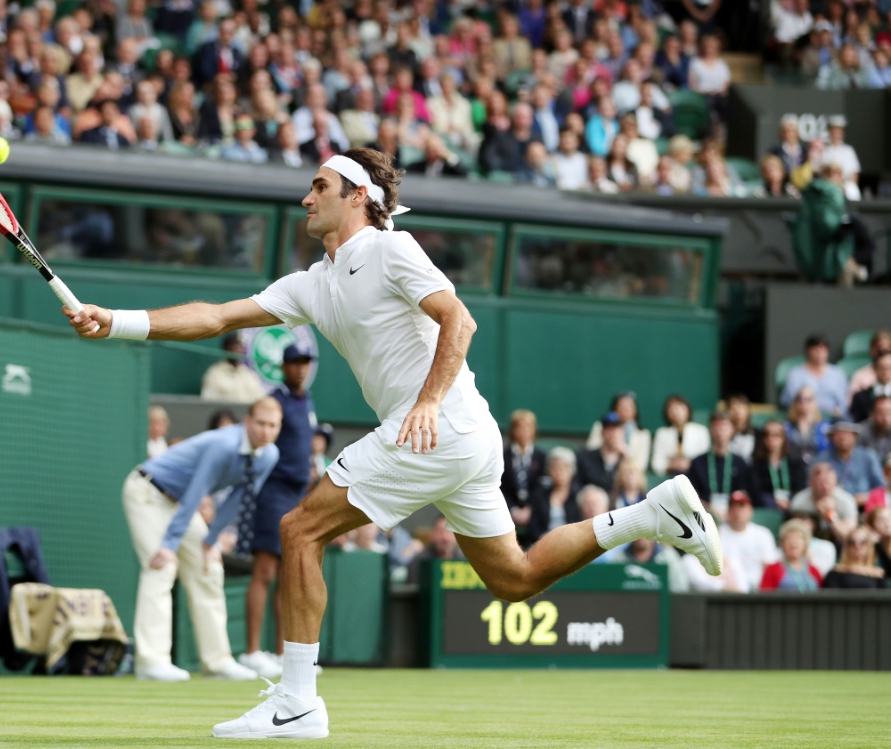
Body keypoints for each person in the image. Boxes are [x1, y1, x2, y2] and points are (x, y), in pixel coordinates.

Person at [65, 148, 722, 739]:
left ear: (356, 195)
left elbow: (456, 319)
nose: (305, 197)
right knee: (514, 578)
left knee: (299, 529)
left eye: (318, 185)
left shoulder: (390, 247)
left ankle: (297, 700)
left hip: (436, 425)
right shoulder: (313, 282)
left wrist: (429, 400)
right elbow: (217, 317)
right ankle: (652, 512)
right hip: (467, 436)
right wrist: (116, 321)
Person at [122, 397, 282, 682]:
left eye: (272, 426)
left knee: (210, 570)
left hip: (178, 503)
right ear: (246, 422)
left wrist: (211, 540)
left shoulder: (269, 455)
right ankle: (151, 661)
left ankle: (217, 661)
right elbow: (199, 490)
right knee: (162, 566)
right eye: (260, 424)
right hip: (147, 491)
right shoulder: (223, 445)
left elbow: (241, 496)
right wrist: (169, 545)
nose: (265, 431)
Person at [239, 344, 317, 681]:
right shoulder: (277, 401)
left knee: (290, 576)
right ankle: (253, 652)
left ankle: (284, 654)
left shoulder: (306, 401)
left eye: (305, 363)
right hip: (273, 491)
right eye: (295, 363)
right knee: (265, 572)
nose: (300, 369)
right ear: (283, 366)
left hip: (298, 495)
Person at [687, 411, 753, 519]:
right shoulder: (697, 462)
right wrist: (709, 508)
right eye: (717, 426)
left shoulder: (740, 463)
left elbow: (743, 493)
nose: (720, 431)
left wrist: (731, 511)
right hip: (702, 516)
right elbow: (691, 495)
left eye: (725, 426)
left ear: (732, 430)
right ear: (711, 430)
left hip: (733, 516)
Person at [501, 409, 547, 546]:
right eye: (519, 427)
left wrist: (530, 508)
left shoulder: (541, 457)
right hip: (507, 510)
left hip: (534, 510)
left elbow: (541, 486)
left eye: (528, 427)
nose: (524, 432)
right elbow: (501, 486)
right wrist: (513, 509)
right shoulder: (503, 456)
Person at [813, 420, 885, 508]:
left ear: (855, 436)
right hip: (833, 505)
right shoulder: (821, 459)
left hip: (864, 507)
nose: (842, 437)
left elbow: (881, 487)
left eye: (847, 433)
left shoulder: (868, 456)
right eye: (839, 433)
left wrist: (867, 497)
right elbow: (812, 485)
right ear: (832, 437)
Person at [718, 491, 779, 589]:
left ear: (750, 511)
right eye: (734, 509)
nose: (738, 513)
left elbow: (769, 565)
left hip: (760, 589)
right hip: (731, 589)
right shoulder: (717, 534)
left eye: (741, 508)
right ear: (728, 512)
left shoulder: (763, 534)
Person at [789, 461, 858, 545]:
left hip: (839, 547)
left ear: (835, 482)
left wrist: (830, 514)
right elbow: (792, 534)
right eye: (820, 484)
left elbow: (849, 537)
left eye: (828, 483)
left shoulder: (846, 501)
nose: (825, 488)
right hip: (808, 545)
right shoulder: (799, 501)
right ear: (811, 483)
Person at [779, 334, 848, 417]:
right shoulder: (795, 374)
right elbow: (790, 401)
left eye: (823, 348)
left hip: (832, 419)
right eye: (816, 348)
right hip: (803, 418)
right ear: (808, 351)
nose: (820, 352)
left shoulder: (837, 373)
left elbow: (844, 403)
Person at [525, 446, 580, 548]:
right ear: (549, 471)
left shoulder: (578, 496)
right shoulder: (539, 495)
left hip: (570, 545)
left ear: (572, 470)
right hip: (543, 544)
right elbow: (533, 528)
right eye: (555, 467)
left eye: (564, 467)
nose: (559, 472)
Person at [585, 392, 651, 472]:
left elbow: (641, 466)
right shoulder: (600, 426)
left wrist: (625, 452)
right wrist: (608, 446)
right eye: (621, 406)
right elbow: (589, 451)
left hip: (626, 476)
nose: (625, 409)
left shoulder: (643, 434)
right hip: (599, 471)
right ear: (614, 408)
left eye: (629, 406)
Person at [749, 419, 807, 510]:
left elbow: (801, 488)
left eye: (776, 435)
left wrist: (790, 501)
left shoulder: (796, 462)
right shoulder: (756, 464)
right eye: (766, 435)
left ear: (783, 438)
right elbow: (756, 492)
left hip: (793, 508)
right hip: (767, 509)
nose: (770, 438)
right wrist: (774, 502)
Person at [201, 332, 268, 403]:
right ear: (226, 348)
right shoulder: (215, 374)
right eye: (234, 347)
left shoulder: (249, 374)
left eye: (240, 347)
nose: (237, 350)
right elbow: (208, 403)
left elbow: (260, 400)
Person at [759, 519, 823, 592]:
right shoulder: (772, 570)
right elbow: (764, 598)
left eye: (799, 538)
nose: (793, 542)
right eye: (789, 538)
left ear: (806, 544)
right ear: (782, 544)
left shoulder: (814, 571)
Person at [576, 412, 626, 494]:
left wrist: (625, 457)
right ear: (602, 432)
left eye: (616, 429)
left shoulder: (625, 460)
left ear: (622, 433)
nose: (612, 433)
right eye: (609, 429)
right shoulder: (585, 457)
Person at [823, 526, 887, 589]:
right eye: (852, 542)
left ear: (869, 546)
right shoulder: (836, 572)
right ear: (846, 546)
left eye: (863, 542)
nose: (857, 546)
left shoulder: (878, 574)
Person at [785, 385, 829, 464]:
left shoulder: (824, 426)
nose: (803, 402)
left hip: (818, 468)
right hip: (793, 467)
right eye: (799, 399)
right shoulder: (787, 427)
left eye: (808, 399)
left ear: (815, 402)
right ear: (795, 402)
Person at [848, 331, 891, 402]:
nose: (883, 352)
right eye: (880, 349)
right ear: (872, 350)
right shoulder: (860, 376)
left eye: (887, 350)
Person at [849, 352, 891, 424]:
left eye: (888, 368)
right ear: (874, 369)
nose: (885, 372)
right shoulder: (860, 397)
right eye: (881, 368)